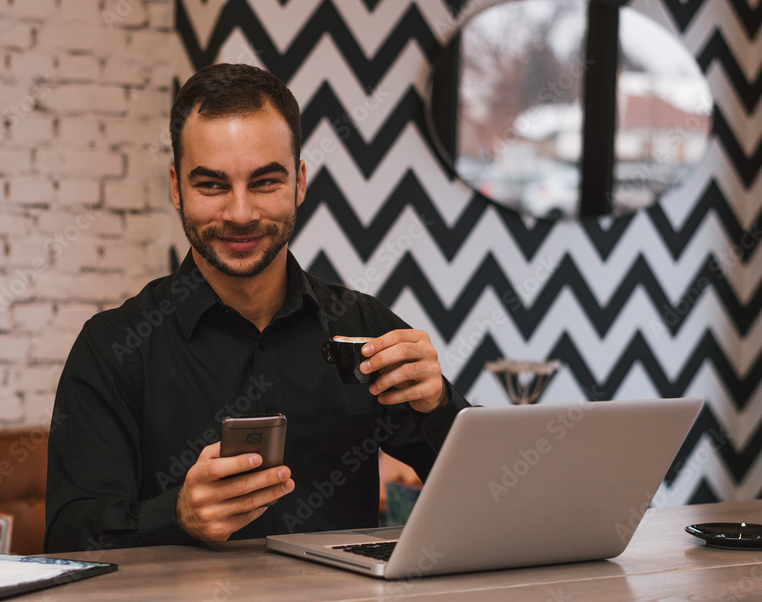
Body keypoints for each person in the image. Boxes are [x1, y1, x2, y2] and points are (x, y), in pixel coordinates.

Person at [44, 63, 470, 552]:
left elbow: (486, 496)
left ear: (300, 183)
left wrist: (439, 404)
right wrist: (175, 515)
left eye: (265, 182)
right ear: (176, 187)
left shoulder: (362, 328)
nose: (241, 213)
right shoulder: (113, 348)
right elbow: (67, 540)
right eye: (212, 185)